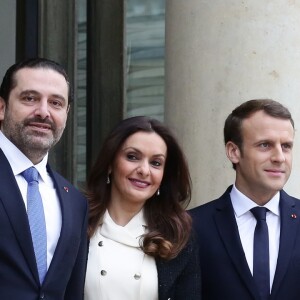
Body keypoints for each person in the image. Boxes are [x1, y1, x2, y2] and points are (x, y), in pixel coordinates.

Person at [189, 98, 300, 300]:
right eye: (265, 145)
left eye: (286, 146)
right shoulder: (191, 227)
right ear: (234, 152)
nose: (280, 157)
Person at [84, 116, 201, 300]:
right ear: (109, 164)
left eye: (156, 163)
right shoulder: (78, 220)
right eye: (132, 157)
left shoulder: (177, 234)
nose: (144, 170)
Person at [0, 58, 88, 300]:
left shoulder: (75, 202)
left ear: (67, 114)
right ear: (2, 107)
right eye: (30, 98)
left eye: (56, 103)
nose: (43, 112)